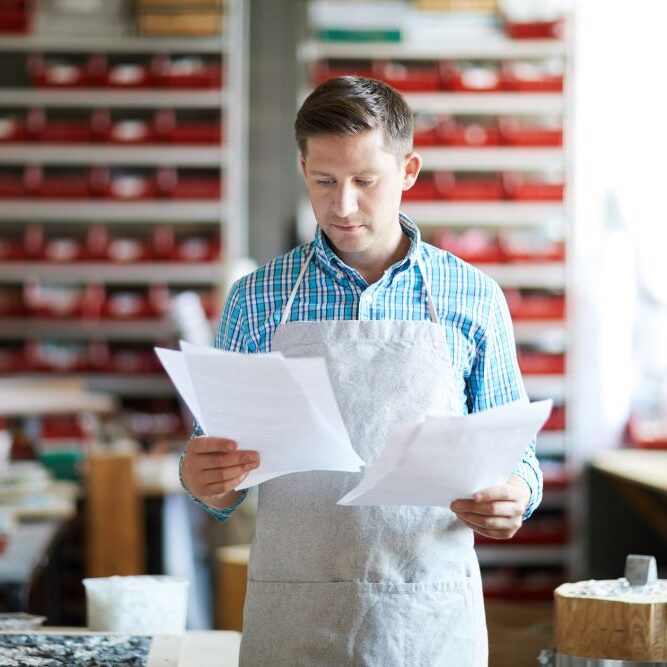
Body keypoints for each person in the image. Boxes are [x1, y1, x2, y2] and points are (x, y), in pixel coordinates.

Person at [180, 76, 543, 666]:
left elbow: (517, 454)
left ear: (409, 171)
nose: (343, 206)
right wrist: (202, 478)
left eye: (365, 181)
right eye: (324, 181)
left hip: (425, 616)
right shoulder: (257, 299)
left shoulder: (473, 297)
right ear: (303, 169)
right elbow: (212, 458)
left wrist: (517, 495)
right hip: (294, 616)